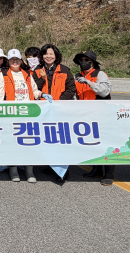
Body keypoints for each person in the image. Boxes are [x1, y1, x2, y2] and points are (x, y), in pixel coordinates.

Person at [0, 49, 42, 183]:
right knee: (13, 143)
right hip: (12, 115)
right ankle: (13, 169)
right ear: (8, 61)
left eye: (17, 59)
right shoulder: (3, 75)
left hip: (28, 114)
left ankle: (29, 169)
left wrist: (41, 94)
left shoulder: (27, 74)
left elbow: (34, 90)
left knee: (29, 142)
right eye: (12, 60)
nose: (15, 62)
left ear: (21, 61)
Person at [32, 44, 76, 184]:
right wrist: (42, 78)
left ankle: (63, 171)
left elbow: (71, 89)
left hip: (60, 110)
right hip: (43, 110)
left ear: (56, 56)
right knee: (48, 139)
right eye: (46, 54)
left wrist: (59, 102)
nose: (48, 56)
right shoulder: (37, 70)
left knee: (61, 140)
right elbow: (34, 89)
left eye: (51, 54)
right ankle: (52, 166)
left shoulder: (64, 70)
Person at [73, 50, 114, 185]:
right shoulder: (77, 76)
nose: (83, 62)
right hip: (86, 115)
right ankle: (96, 169)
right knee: (93, 143)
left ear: (93, 63)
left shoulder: (100, 74)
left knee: (106, 144)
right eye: (81, 60)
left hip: (102, 114)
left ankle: (109, 173)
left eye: (87, 60)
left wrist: (89, 82)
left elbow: (104, 91)